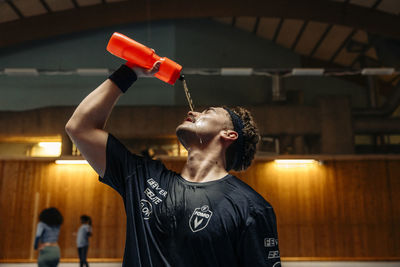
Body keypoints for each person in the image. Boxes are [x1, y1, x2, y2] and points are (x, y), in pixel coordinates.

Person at [65, 61, 281, 266]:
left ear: (229, 134)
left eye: (207, 112)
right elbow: (79, 127)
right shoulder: (144, 179)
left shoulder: (251, 207)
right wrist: (130, 71)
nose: (192, 112)